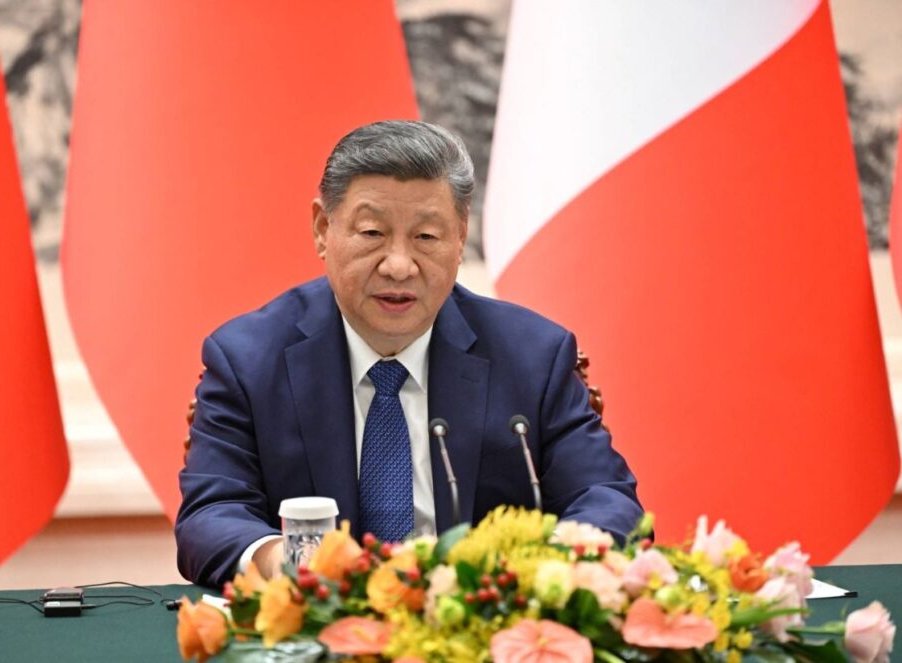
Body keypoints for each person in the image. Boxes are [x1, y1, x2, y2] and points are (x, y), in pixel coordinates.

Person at [176, 120, 642, 587]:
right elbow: (211, 515)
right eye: (372, 232)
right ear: (323, 229)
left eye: (426, 237)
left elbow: (607, 499)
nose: (399, 266)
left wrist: (538, 571)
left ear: (460, 238)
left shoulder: (533, 357)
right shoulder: (248, 360)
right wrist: (285, 561)